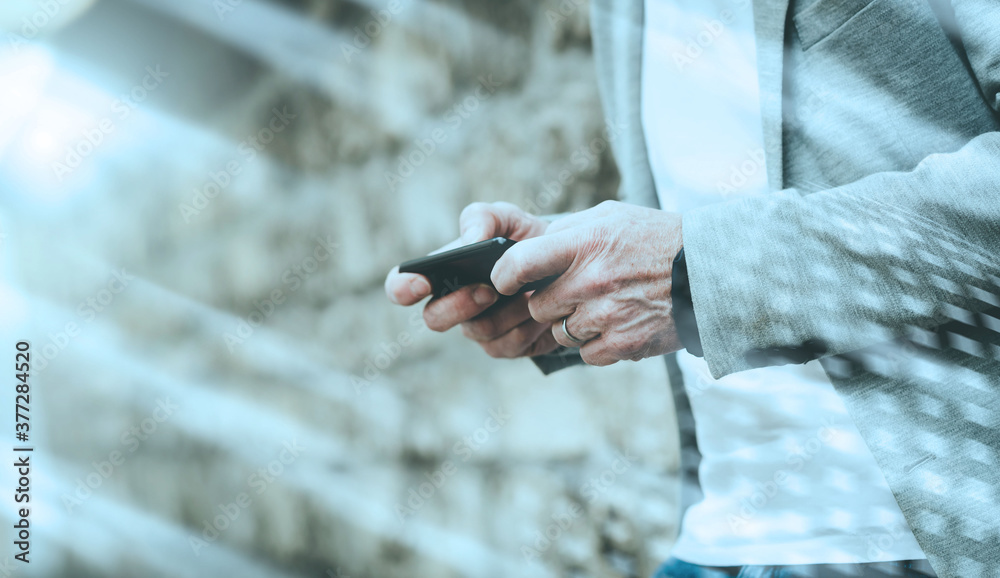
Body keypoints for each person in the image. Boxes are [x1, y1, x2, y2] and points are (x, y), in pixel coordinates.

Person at [386, 0, 1000, 576]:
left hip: (918, 538)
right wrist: (576, 289)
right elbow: (703, 218)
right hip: (716, 538)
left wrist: (691, 275)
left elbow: (697, 262)